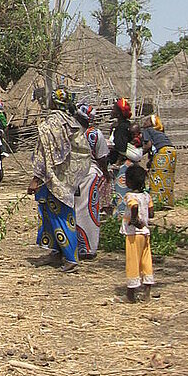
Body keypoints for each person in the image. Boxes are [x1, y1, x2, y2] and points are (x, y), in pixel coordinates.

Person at [27, 89, 91, 273]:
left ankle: (71, 258)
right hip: (66, 178)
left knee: (59, 216)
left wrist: (35, 179)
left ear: (53, 103)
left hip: (53, 180)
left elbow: (43, 154)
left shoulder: (50, 125)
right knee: (51, 213)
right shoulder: (72, 123)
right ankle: (56, 251)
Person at [74, 102, 111, 259]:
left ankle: (74, 245)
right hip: (90, 174)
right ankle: (88, 248)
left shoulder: (70, 132)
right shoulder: (95, 134)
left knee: (75, 209)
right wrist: (106, 173)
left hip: (73, 174)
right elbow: (102, 157)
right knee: (89, 211)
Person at [121, 164, 156, 302]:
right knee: (146, 261)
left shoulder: (130, 195)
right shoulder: (147, 196)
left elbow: (134, 205)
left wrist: (134, 219)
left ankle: (130, 295)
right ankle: (147, 293)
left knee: (132, 262)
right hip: (145, 233)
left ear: (129, 182)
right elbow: (151, 213)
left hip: (133, 234)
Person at [108, 98, 143, 219]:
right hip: (130, 163)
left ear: (118, 112)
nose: (111, 110)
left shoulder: (121, 128)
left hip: (123, 165)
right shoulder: (128, 126)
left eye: (114, 108)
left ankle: (123, 217)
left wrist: (111, 147)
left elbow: (121, 147)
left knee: (121, 192)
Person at [141, 114, 177, 209]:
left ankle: (157, 202)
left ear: (151, 123)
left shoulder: (147, 130)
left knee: (156, 176)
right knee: (167, 177)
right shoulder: (159, 131)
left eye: (146, 121)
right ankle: (167, 202)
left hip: (162, 152)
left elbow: (148, 145)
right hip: (171, 152)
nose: (144, 122)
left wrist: (138, 154)